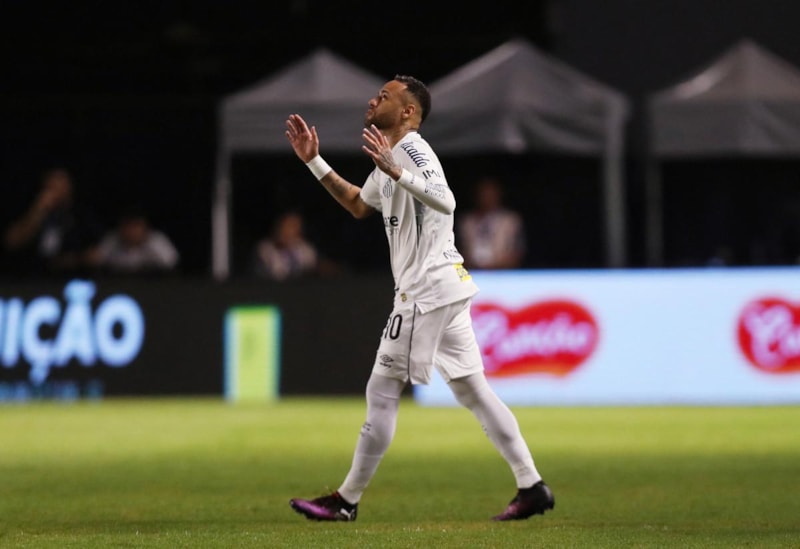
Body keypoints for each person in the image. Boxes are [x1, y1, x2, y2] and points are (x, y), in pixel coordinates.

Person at [284, 75, 554, 522]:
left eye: (385, 96)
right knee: (473, 390)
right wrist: (314, 161)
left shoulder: (411, 149)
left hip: (425, 290)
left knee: (383, 389)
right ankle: (532, 485)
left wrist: (398, 172)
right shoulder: (390, 155)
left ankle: (346, 500)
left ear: (408, 111)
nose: (374, 100)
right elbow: (359, 204)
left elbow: (446, 200)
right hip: (445, 286)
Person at [2, 167, 103, 276]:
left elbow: (96, 252)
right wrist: (38, 211)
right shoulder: (34, 212)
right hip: (31, 279)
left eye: (61, 185)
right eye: (52, 186)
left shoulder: (80, 215)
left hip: (71, 278)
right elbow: (12, 242)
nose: (57, 191)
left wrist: (74, 260)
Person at [458, 176, 527, 270]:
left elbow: (518, 252)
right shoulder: (466, 222)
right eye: (483, 194)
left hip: (503, 273)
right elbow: (458, 251)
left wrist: (494, 266)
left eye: (490, 194)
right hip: (471, 272)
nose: (486, 198)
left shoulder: (510, 221)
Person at [90, 207, 179, 275]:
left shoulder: (156, 240)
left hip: (152, 286)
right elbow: (94, 260)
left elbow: (171, 262)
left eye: (136, 226)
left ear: (145, 227)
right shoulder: (112, 240)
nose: (131, 231)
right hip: (119, 285)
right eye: (128, 225)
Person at [250, 210, 319, 280]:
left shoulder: (306, 248)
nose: (290, 231)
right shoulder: (264, 248)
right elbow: (277, 274)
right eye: (287, 226)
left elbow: (311, 268)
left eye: (295, 226)